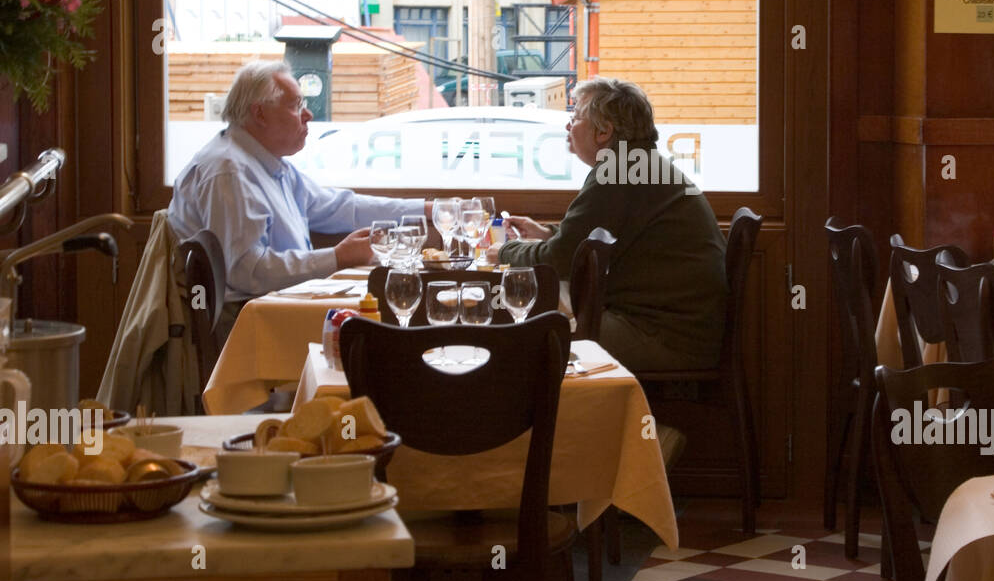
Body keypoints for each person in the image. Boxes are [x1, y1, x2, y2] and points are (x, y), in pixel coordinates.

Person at [489, 77, 727, 371]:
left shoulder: (618, 171)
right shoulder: (634, 164)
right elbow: (591, 239)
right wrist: (547, 234)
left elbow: (558, 259)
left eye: (575, 117)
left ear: (603, 132)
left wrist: (502, 252)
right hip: (682, 327)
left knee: (537, 335)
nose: (568, 126)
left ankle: (555, 417)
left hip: (666, 335)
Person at [168, 61, 430, 318]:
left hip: (277, 303)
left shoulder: (268, 164)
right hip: (247, 319)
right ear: (259, 114)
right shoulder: (228, 171)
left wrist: (427, 209)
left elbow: (342, 207)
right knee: (385, 317)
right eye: (296, 106)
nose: (308, 115)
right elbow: (247, 272)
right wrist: (337, 258)